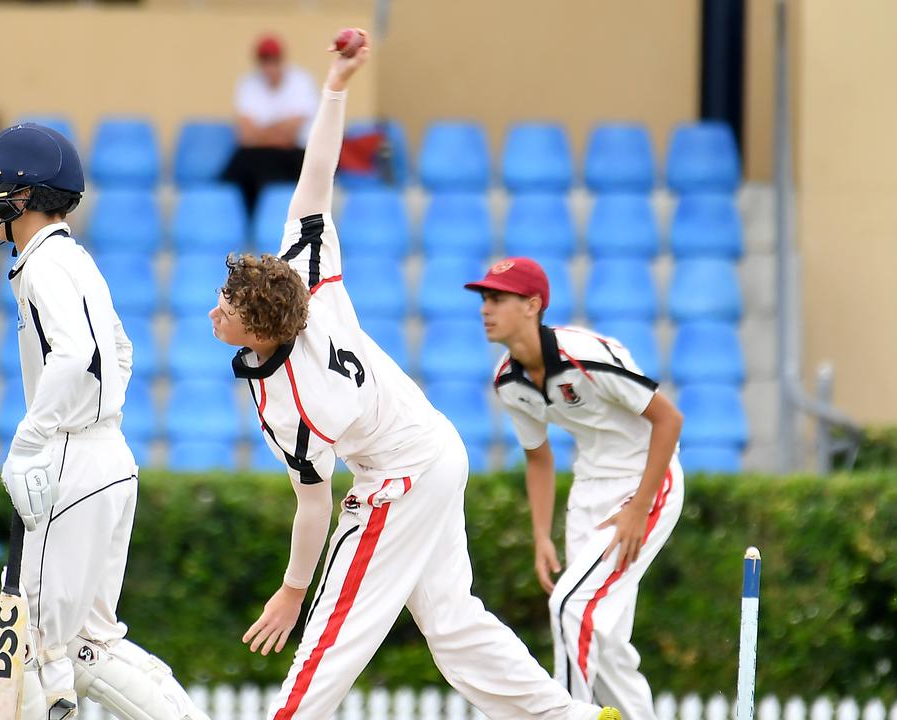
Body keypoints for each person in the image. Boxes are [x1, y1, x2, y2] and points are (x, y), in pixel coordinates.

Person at [208, 31, 620, 720]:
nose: (214, 311)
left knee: (336, 627)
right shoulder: (305, 277)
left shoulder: (297, 406)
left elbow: (313, 506)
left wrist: (290, 588)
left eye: (226, 308)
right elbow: (317, 176)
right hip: (435, 447)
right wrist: (335, 87)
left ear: (262, 328)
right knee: (452, 625)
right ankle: (575, 717)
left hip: (400, 473)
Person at [0, 123, 209, 720]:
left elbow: (74, 355)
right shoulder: (76, 259)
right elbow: (119, 350)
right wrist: (94, 420)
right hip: (109, 457)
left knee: (35, 645)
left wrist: (33, 439)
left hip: (69, 459)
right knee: (90, 645)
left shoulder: (45, 265)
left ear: (24, 195)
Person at [465, 258, 685, 720]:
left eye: (497, 298)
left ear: (532, 305)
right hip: (589, 491)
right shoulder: (508, 380)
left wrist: (638, 510)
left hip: (647, 482)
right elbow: (538, 457)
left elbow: (669, 420)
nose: (486, 309)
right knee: (605, 643)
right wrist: (541, 535)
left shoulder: (585, 355)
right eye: (484, 299)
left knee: (570, 606)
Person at [219, 33, 318, 215]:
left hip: (294, 154)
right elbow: (245, 135)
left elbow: (290, 136)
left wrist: (261, 132)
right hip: (260, 155)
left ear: (281, 60)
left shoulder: (301, 81)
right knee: (240, 168)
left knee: (261, 169)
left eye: (273, 60)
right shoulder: (248, 83)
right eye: (265, 61)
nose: (269, 66)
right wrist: (278, 129)